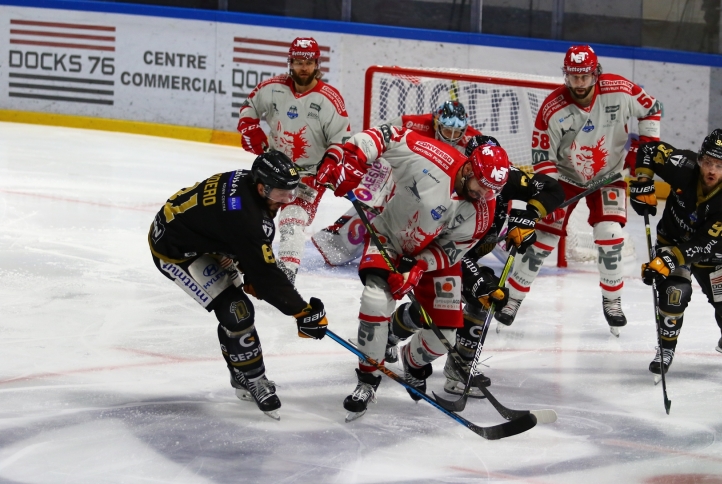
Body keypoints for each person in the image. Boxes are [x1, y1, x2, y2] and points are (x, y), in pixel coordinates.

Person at [318, 125, 511, 421]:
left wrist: (418, 267)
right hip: (389, 237)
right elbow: (387, 135)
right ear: (470, 167)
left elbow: (452, 250)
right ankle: (368, 381)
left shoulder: (484, 208)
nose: (486, 193)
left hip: (431, 258)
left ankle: (411, 361)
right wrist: (352, 160)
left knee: (444, 334)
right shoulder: (431, 155)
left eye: (492, 189)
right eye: (482, 184)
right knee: (374, 302)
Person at [148, 151, 329, 420]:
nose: (286, 201)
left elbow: (234, 235)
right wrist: (302, 312)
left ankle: (240, 364)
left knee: (236, 308)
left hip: (201, 235)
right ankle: (251, 378)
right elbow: (267, 278)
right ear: (261, 187)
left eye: (291, 193)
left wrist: (244, 262)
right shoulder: (247, 218)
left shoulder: (246, 187)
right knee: (237, 311)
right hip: (176, 252)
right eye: (281, 194)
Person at [498, 44, 662, 335]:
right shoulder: (552, 109)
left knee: (610, 235)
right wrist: (548, 192)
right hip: (563, 177)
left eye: (585, 77)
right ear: (566, 76)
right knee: (542, 239)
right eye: (574, 77)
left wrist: (644, 152)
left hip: (610, 174)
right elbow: (541, 157)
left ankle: (612, 301)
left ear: (595, 73)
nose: (579, 84)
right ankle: (513, 299)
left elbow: (652, 108)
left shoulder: (619, 89)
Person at [384, 135, 564, 397]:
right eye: (482, 180)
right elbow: (449, 250)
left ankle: (458, 368)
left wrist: (528, 216)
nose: (488, 188)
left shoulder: (501, 178)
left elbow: (553, 190)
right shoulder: (448, 185)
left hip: (465, 255)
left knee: (483, 298)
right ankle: (390, 336)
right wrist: (479, 281)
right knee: (435, 311)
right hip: (437, 256)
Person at [631, 129, 722, 375]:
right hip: (671, 239)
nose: (713, 170)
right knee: (674, 293)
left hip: (711, 252)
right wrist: (643, 182)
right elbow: (649, 150)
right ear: (700, 159)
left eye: (721, 165)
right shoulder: (682, 165)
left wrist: (668, 259)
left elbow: (706, 244)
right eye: (709, 162)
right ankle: (666, 348)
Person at [311, 100, 480, 267]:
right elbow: (382, 138)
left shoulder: (474, 140)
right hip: (398, 168)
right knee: (372, 196)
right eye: (446, 130)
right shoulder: (412, 123)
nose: (450, 137)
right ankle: (339, 243)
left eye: (456, 132)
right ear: (436, 123)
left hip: (434, 180)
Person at [237, 36, 351, 283]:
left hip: (309, 175)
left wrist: (331, 163)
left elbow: (341, 139)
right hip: (273, 167)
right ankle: (238, 261)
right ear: (290, 62)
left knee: (292, 220)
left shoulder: (329, 99)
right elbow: (248, 108)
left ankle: (284, 278)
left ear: (317, 65)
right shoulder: (273, 87)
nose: (303, 68)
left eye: (308, 63)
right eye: (298, 62)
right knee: (248, 213)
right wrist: (249, 128)